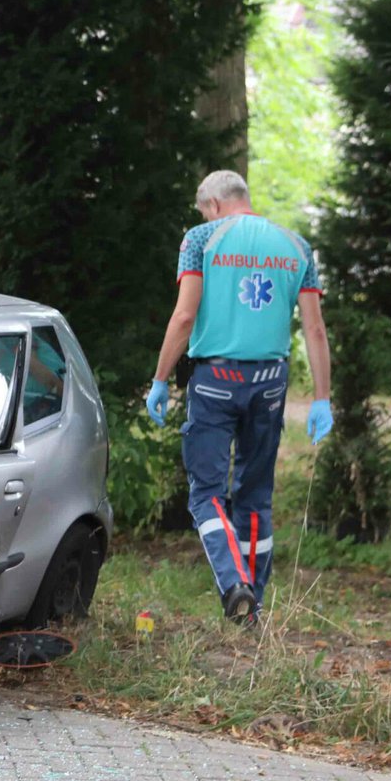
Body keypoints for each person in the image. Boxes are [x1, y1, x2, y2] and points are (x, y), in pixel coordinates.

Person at [146, 170, 333, 625]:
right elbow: (314, 328)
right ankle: (253, 611)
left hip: (215, 380)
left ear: (212, 203)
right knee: (255, 495)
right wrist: (322, 397)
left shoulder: (201, 239)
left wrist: (160, 378)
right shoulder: (296, 246)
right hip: (270, 381)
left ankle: (234, 585)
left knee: (206, 494)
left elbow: (185, 315)